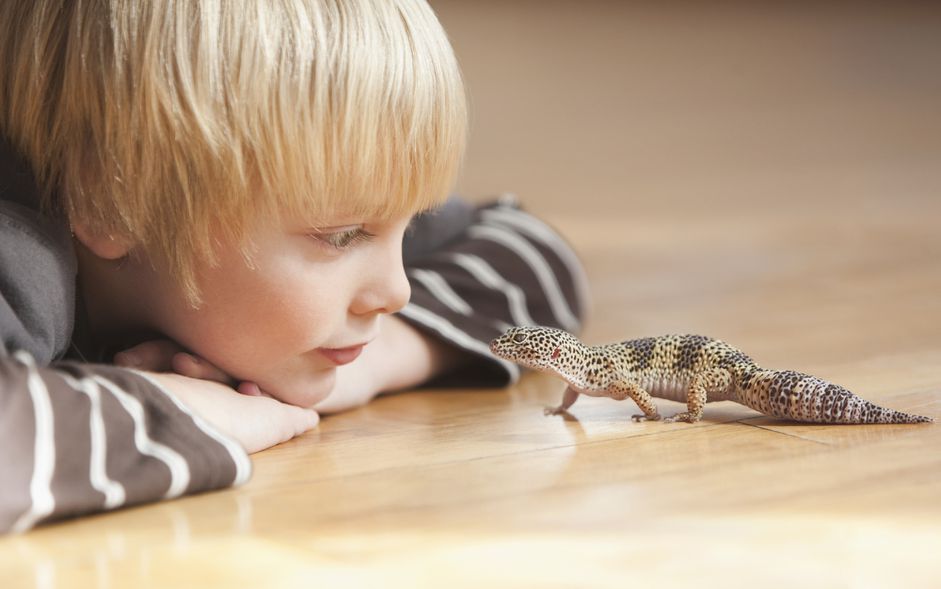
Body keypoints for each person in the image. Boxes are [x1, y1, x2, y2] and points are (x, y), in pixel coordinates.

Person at [0, 0, 588, 534]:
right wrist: (178, 409)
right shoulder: (19, 251)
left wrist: (377, 361)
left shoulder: (324, 187)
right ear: (111, 202)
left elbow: (536, 250)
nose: (397, 290)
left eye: (407, 227)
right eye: (342, 236)